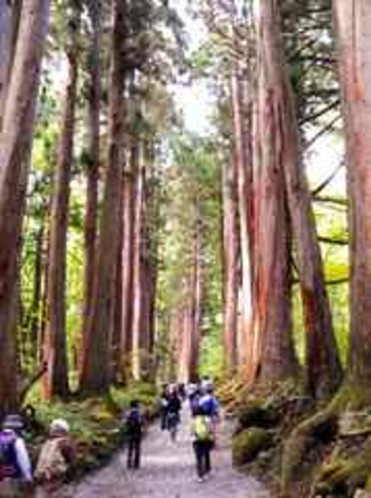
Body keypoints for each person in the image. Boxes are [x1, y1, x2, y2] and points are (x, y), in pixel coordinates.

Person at [35, 418, 76, 495]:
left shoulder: (46, 443)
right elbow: (72, 464)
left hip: (45, 479)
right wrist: (70, 480)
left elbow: (38, 460)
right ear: (65, 430)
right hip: (60, 479)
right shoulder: (66, 443)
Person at [0, 414, 33, 497]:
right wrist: (28, 478)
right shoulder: (17, 440)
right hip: (14, 479)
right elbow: (24, 461)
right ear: (17, 427)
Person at [191, 405, 214, 482]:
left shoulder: (193, 420)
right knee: (206, 455)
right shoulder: (207, 419)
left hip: (196, 440)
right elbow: (211, 429)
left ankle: (200, 476)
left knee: (198, 458)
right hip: (206, 439)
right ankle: (208, 471)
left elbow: (191, 431)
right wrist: (212, 437)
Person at [124, 400, 144, 470]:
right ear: (137, 405)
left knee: (130, 448)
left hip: (130, 432)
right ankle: (136, 464)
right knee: (137, 448)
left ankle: (129, 463)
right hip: (137, 432)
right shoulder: (140, 413)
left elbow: (125, 422)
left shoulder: (128, 413)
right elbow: (141, 422)